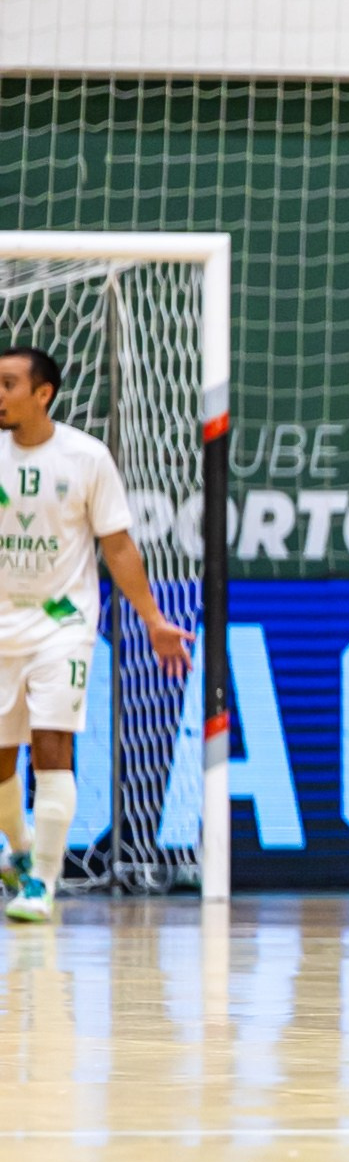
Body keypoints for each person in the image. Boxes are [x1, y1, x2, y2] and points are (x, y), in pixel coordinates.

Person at [0, 347, 193, 924]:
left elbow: (117, 546)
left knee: (52, 747)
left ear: (43, 393)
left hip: (64, 623)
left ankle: (43, 883)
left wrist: (153, 620)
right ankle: (22, 851)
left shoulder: (87, 457)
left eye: (8, 383)